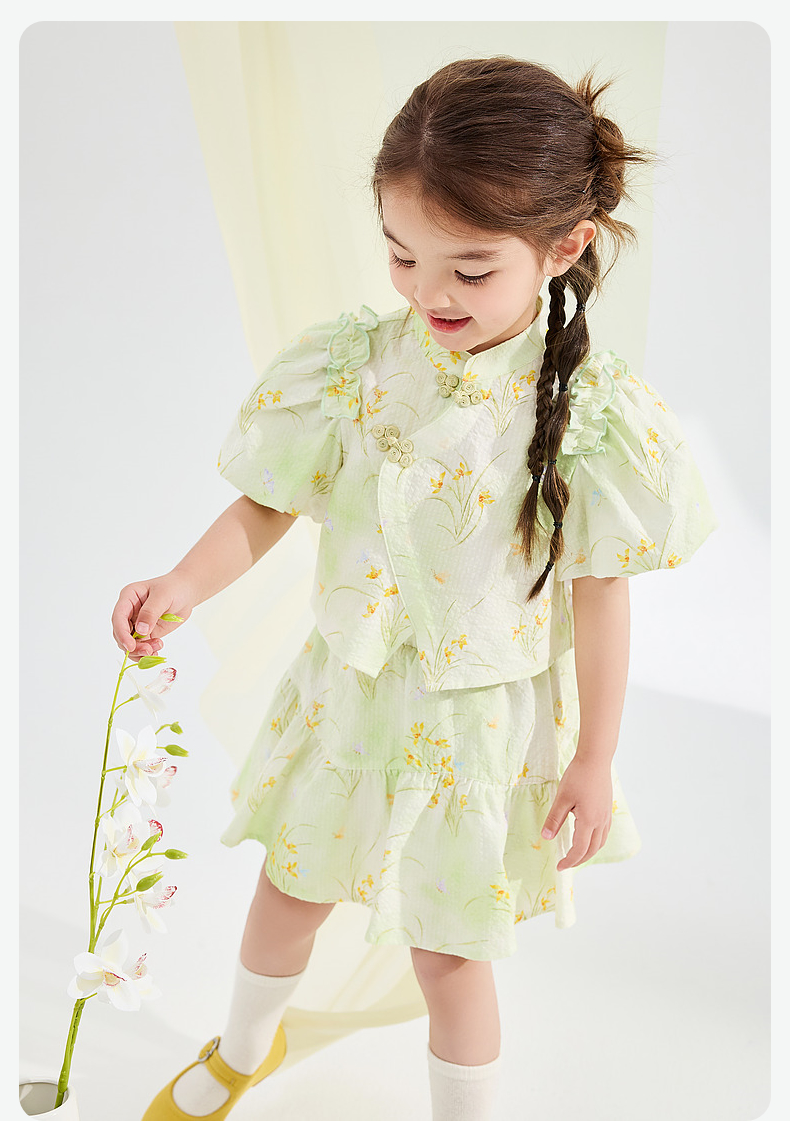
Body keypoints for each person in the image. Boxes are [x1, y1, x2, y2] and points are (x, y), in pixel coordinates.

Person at [115, 56, 718, 1121]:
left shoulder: (588, 410)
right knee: (289, 886)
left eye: (470, 270)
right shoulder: (355, 364)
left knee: (449, 951)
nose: (429, 293)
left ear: (564, 247)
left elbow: (600, 593)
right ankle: (243, 1046)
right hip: (349, 692)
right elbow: (270, 501)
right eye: (402, 255)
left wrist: (593, 756)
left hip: (473, 727)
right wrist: (184, 581)